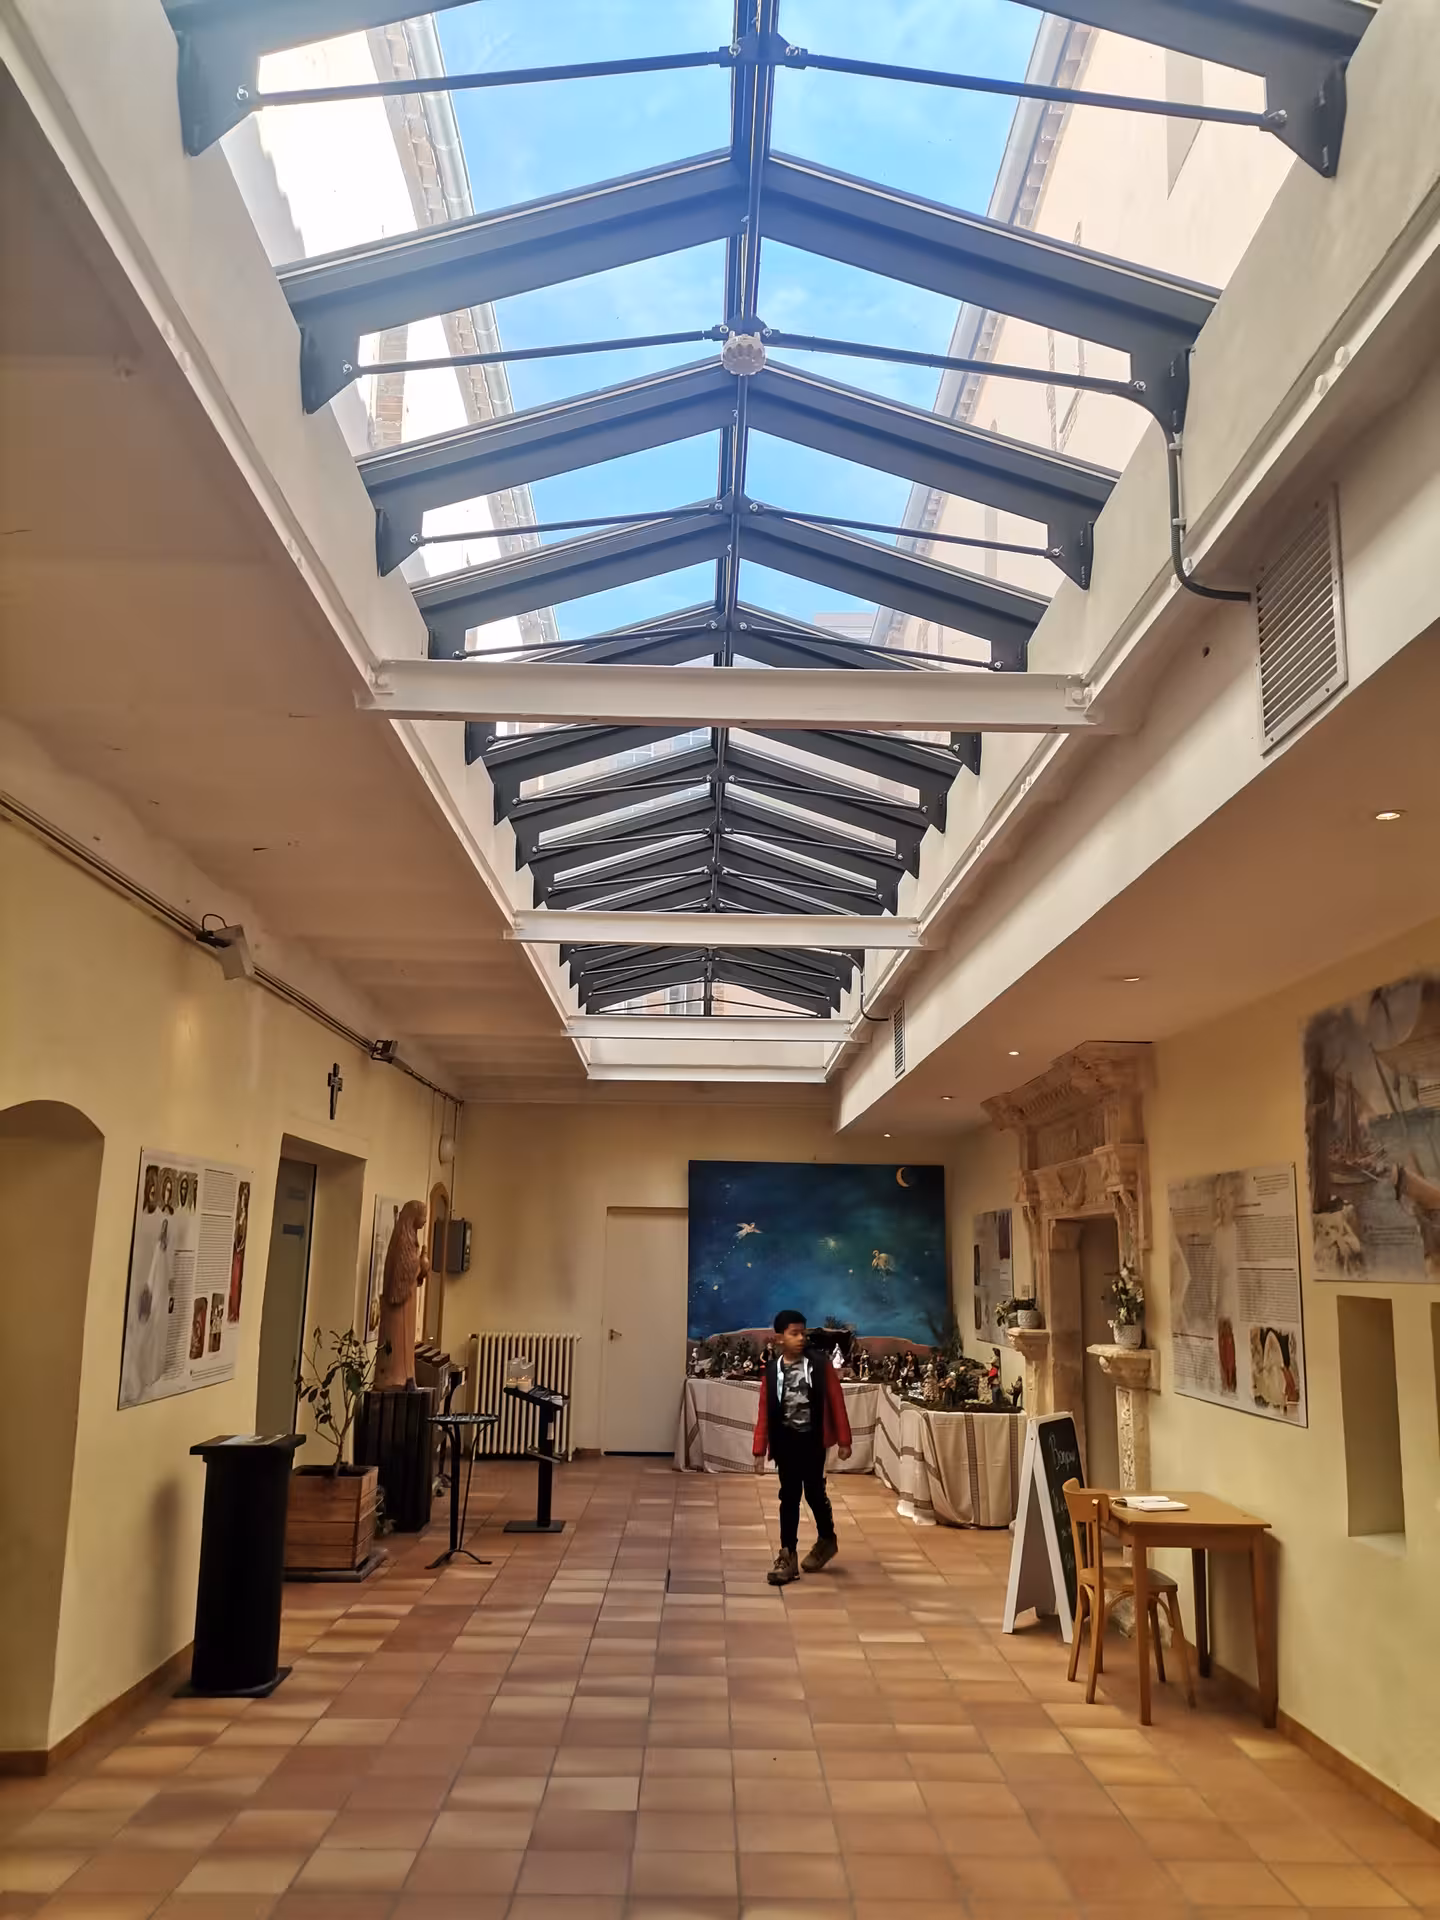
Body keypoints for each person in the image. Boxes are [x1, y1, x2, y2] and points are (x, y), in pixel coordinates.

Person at [752, 1309, 852, 1585]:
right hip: (786, 1442)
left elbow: (836, 1402)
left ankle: (827, 1538)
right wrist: (759, 1450)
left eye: (803, 1333)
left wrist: (844, 1440)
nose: (800, 1338)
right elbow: (764, 1412)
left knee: (815, 1493)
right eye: (793, 1333)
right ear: (779, 1338)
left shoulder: (819, 1366)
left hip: (813, 1441)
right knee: (789, 1496)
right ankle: (788, 1555)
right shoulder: (772, 1371)